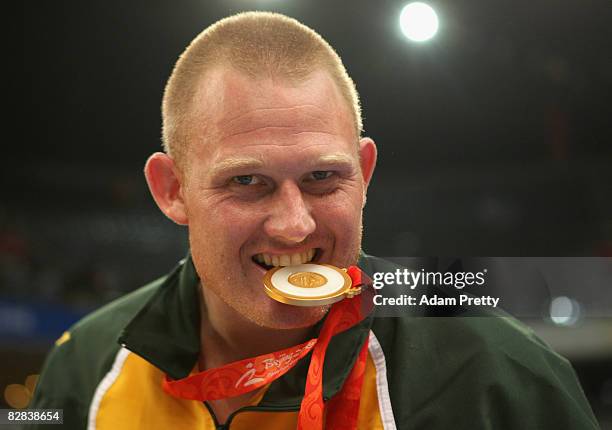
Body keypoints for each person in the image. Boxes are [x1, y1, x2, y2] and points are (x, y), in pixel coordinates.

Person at [28, 12, 599, 429]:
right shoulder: (84, 367)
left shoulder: (502, 381)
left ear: (365, 171)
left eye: (323, 178)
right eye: (247, 182)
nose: (295, 225)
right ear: (172, 190)